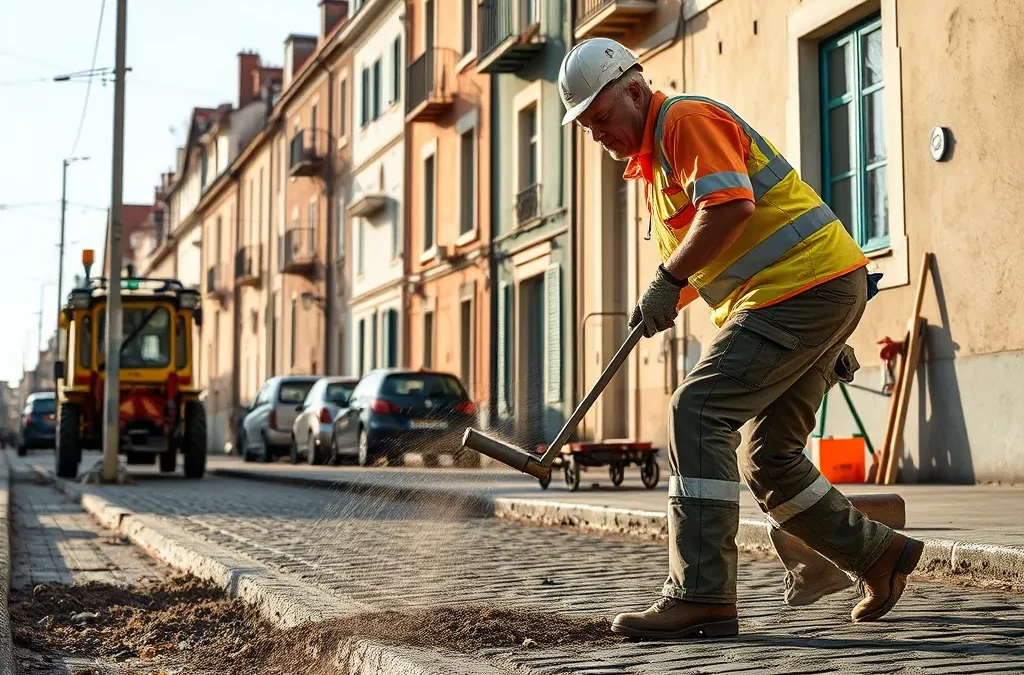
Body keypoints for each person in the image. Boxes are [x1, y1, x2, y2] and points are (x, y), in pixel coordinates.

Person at [558, 37, 924, 639]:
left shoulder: (684, 121)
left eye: (601, 117)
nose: (598, 135)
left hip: (800, 289)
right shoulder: (656, 169)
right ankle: (880, 556)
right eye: (587, 127)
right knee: (769, 460)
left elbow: (729, 209)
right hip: (809, 291)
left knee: (697, 409)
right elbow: (713, 257)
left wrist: (667, 279)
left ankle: (700, 594)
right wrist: (664, 298)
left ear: (634, 91)